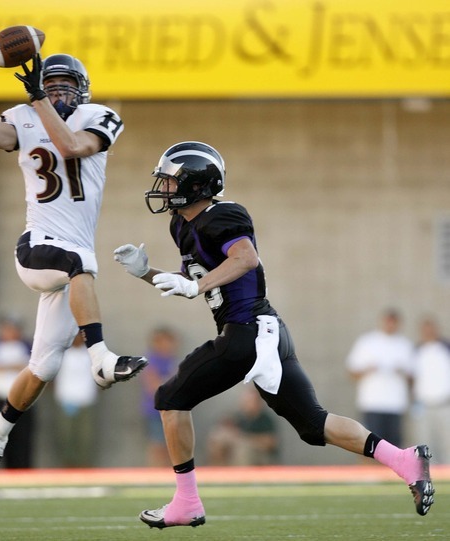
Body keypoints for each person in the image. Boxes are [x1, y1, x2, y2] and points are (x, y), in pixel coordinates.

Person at [113, 141, 434, 529]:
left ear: (196, 184)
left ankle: (187, 503)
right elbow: (198, 280)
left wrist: (193, 288)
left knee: (169, 398)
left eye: (169, 179)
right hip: (263, 331)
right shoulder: (180, 224)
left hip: (248, 330)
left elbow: (245, 258)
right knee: (314, 426)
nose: (162, 187)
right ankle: (404, 460)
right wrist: (146, 272)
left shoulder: (224, 215)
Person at [0, 49, 147, 484]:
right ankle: (101, 358)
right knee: (81, 262)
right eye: (49, 86)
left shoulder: (98, 117)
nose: (56, 92)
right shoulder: (25, 117)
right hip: (38, 249)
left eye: (65, 86)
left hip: (69, 265)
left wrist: (39, 102)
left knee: (43, 367)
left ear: (82, 91)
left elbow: (70, 145)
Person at [346, 309, 414, 447]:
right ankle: (368, 469)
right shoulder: (367, 342)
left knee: (394, 446)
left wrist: (402, 372)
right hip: (372, 403)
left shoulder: (405, 345)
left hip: (395, 404)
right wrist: (368, 370)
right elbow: (352, 371)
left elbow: (413, 378)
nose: (390, 325)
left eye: (393, 322)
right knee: (368, 446)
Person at [0, 315, 35, 469]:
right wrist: (13, 366)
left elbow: (29, 368)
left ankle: (23, 470)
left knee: (22, 438)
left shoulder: (25, 345)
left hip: (23, 400)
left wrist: (3, 366)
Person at [53, 332, 99, 467]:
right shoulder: (62, 354)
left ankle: (84, 467)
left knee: (85, 438)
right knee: (65, 437)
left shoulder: (91, 354)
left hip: (86, 401)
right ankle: (67, 467)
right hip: (66, 401)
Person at [207, 386, 279, 466]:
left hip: (259, 455)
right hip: (236, 450)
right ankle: (217, 472)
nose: (246, 404)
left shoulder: (265, 420)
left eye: (250, 401)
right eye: (245, 401)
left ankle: (241, 477)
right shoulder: (240, 418)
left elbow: (270, 443)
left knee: (242, 449)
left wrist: (244, 438)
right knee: (219, 437)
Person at [412, 317, 450, 464]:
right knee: (425, 444)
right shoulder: (417, 351)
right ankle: (428, 477)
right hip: (423, 405)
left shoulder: (446, 348)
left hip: (444, 404)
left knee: (447, 443)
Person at [141, 327, 180, 467]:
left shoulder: (172, 360)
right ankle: (154, 473)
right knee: (157, 445)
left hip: (172, 410)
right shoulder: (152, 360)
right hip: (155, 409)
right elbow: (153, 386)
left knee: (171, 446)